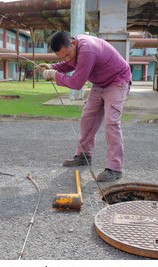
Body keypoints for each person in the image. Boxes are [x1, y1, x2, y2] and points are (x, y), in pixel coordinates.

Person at [35, 31, 131, 182]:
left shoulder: (87, 50)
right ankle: (83, 156)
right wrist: (51, 66)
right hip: (100, 83)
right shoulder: (74, 49)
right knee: (87, 118)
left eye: (67, 54)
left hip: (117, 81)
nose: (66, 59)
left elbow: (77, 83)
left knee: (111, 122)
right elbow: (69, 63)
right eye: (62, 57)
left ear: (73, 43)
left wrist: (54, 74)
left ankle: (115, 168)